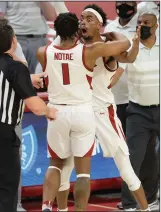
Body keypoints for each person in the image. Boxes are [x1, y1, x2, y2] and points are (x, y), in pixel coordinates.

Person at [52, 5, 150, 212]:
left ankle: (145, 209)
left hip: (103, 110)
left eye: (89, 19)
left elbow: (129, 58)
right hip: (78, 110)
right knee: (66, 167)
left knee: (125, 167)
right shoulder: (74, 45)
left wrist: (126, 42)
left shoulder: (107, 48)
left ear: (99, 25)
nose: (83, 22)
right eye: (81, 18)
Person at [37, 12, 131, 211]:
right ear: (77, 30)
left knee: (55, 164)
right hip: (82, 112)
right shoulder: (89, 51)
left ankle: (47, 205)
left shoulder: (43, 52)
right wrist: (113, 34)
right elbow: (125, 45)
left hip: (57, 112)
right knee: (83, 174)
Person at [0, 19, 57, 212]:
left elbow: (2, 79)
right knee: (6, 193)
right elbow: (36, 107)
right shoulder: (16, 67)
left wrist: (28, 79)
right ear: (14, 41)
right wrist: (50, 110)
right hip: (1, 136)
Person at [120, 12, 159, 211]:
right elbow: (123, 64)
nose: (142, 26)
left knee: (153, 159)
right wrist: (134, 44)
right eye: (140, 23)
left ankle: (152, 198)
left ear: (156, 26)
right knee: (133, 158)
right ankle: (128, 203)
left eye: (147, 23)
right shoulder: (129, 46)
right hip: (138, 112)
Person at [0, 1, 57, 74]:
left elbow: (51, 16)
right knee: (13, 75)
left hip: (38, 39)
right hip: (13, 39)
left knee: (39, 76)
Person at [104, 1, 138, 134]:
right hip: (117, 96)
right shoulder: (110, 28)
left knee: (143, 143)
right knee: (121, 138)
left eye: (127, 2)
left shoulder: (143, 25)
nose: (123, 4)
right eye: (120, 2)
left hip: (138, 95)